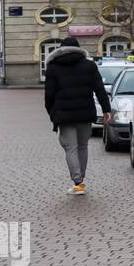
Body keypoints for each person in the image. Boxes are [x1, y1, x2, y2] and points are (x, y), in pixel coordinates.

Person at [43, 37, 112, 196]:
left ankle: (78, 182)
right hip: (85, 112)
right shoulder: (89, 65)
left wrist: (52, 112)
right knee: (82, 146)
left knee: (70, 147)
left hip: (64, 114)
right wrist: (107, 109)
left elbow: (49, 95)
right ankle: (81, 178)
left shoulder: (53, 67)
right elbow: (99, 89)